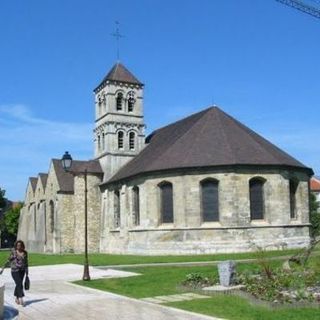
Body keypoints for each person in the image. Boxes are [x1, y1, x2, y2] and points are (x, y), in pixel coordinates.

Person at [0, 240, 29, 306]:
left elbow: (26, 263)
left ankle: (16, 298)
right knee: (19, 283)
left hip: (22, 270)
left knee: (19, 284)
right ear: (16, 246)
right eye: (18, 245)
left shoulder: (25, 253)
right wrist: (3, 268)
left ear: (22, 246)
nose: (19, 246)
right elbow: (8, 260)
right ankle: (21, 299)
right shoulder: (14, 252)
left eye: (20, 245)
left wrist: (27, 273)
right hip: (14, 271)